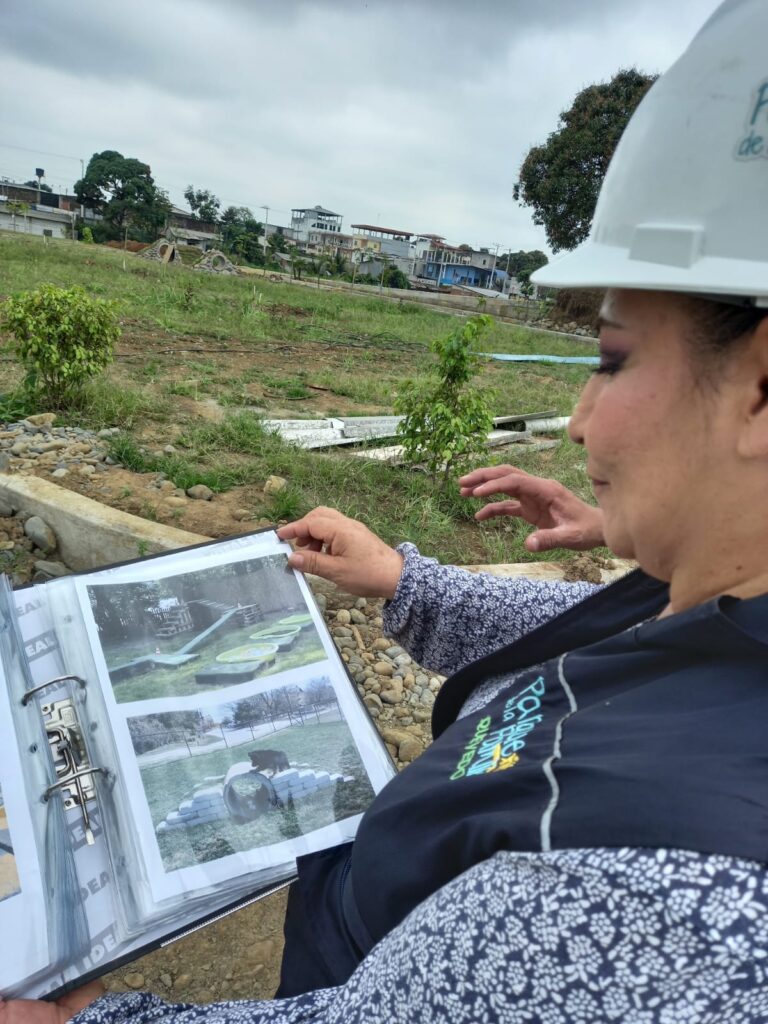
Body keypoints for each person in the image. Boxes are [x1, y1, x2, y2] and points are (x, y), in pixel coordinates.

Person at [7, 1, 768, 1019]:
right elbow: (616, 654)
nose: (578, 420)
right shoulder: (713, 606)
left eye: (612, 357)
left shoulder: (667, 913)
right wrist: (411, 584)